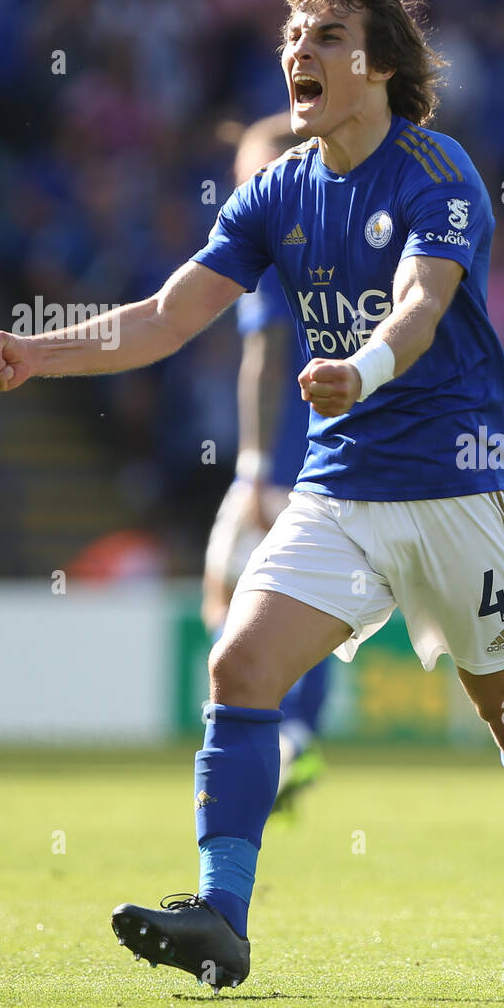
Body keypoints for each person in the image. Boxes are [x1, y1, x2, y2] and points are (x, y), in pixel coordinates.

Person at [0, 0, 504, 991]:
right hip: (338, 493)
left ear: (381, 66)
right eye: (292, 38)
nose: (296, 53)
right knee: (237, 669)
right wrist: (41, 349)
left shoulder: (438, 172)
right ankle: (222, 913)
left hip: (454, 492)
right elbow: (168, 316)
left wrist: (361, 367)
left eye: (323, 38)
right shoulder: (276, 190)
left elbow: (421, 304)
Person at [201, 113, 331, 815]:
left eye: (246, 172)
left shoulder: (276, 248)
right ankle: (293, 737)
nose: (236, 187)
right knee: (318, 610)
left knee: (234, 605)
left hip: (285, 465)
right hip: (337, 460)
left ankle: (275, 742)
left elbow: (264, 358)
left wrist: (252, 467)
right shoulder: (328, 242)